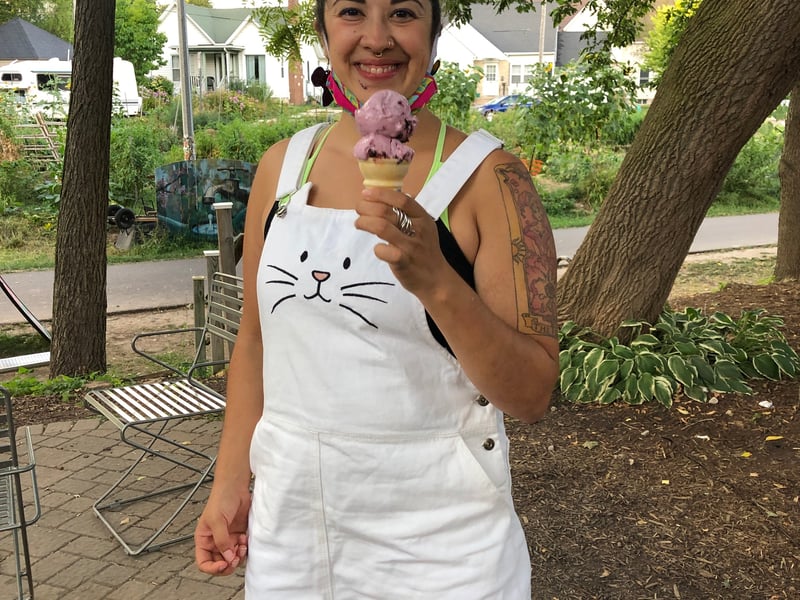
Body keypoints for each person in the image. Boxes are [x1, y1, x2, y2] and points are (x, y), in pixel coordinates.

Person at [194, 0, 559, 595]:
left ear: (434, 35)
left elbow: (531, 393)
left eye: (404, 13)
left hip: (443, 549)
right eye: (351, 11)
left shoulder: (491, 179)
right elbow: (257, 343)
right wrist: (230, 483)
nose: (377, 37)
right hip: (292, 537)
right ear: (323, 32)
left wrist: (438, 282)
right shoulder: (282, 169)